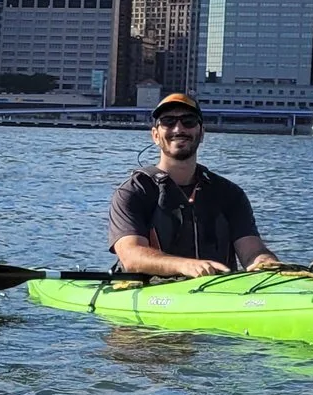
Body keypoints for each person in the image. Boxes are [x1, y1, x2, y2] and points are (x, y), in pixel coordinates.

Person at [108, 93, 282, 278]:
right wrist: (185, 266)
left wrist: (265, 262)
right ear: (155, 135)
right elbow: (131, 256)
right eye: (168, 122)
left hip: (216, 292)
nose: (178, 129)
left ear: (202, 133)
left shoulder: (230, 194)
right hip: (153, 293)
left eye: (188, 121)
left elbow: (252, 251)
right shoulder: (133, 192)